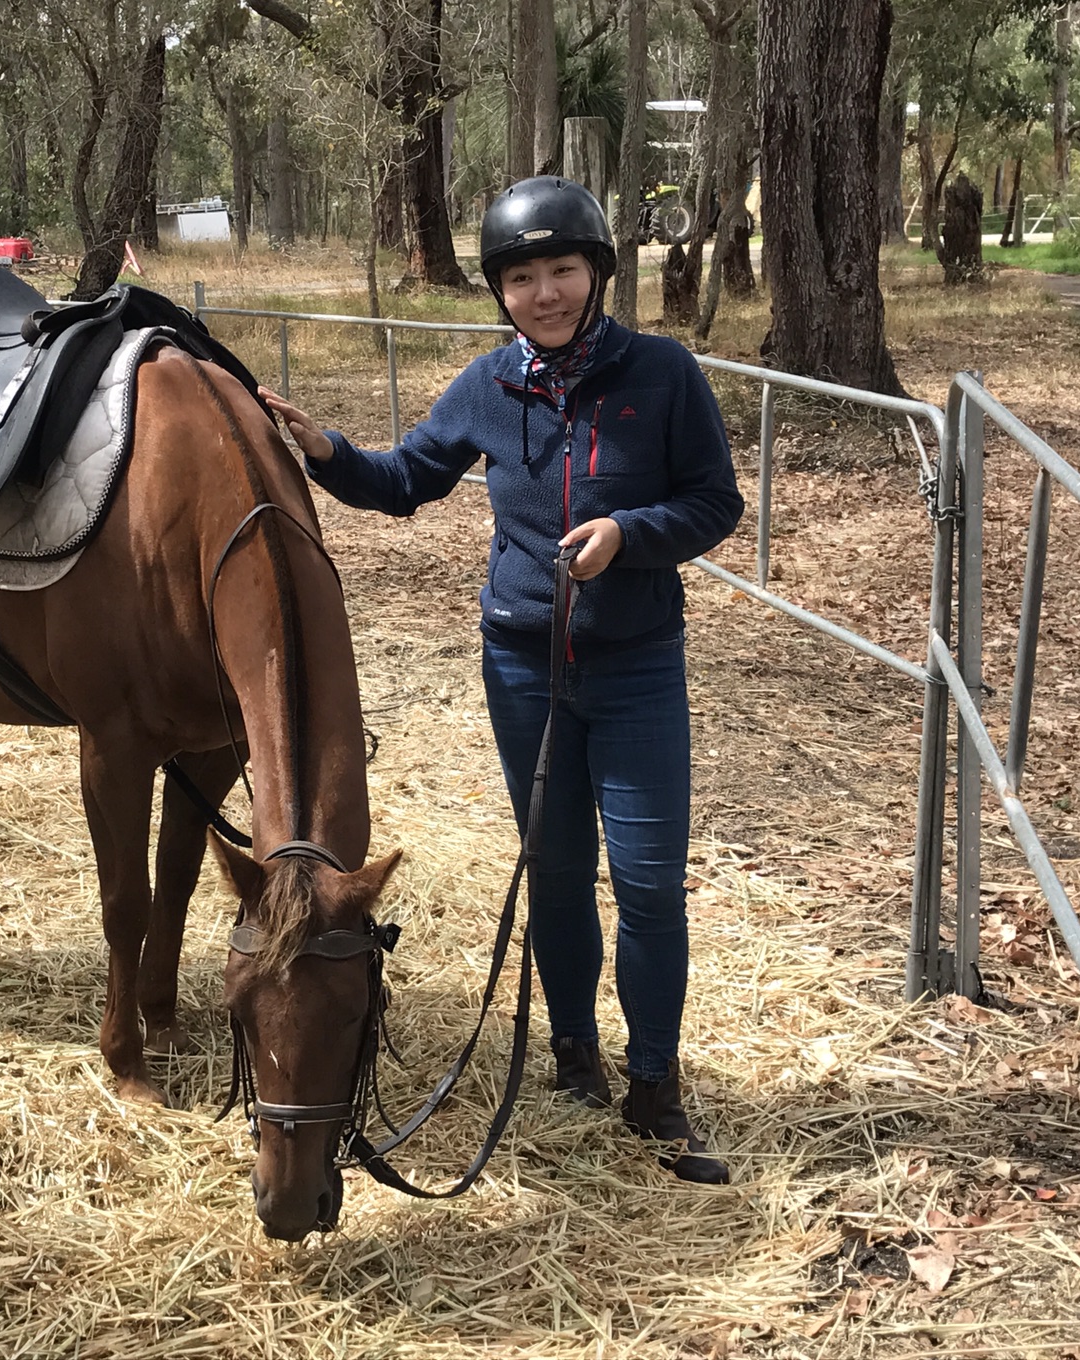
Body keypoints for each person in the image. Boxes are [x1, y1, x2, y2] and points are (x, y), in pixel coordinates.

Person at [262, 176, 744, 1184]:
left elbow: (713, 502)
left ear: (598, 271)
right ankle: (573, 1055)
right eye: (521, 277)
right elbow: (406, 481)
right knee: (557, 872)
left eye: (562, 269)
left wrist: (631, 534)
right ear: (501, 291)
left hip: (640, 669)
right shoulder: (490, 384)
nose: (545, 292)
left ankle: (654, 1079)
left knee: (650, 886)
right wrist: (324, 451)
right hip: (525, 670)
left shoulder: (663, 374)